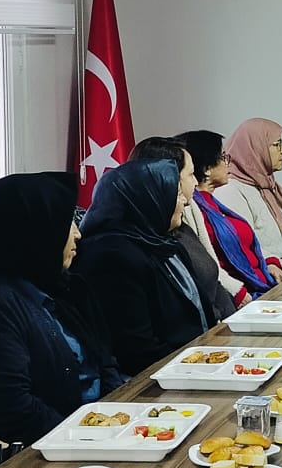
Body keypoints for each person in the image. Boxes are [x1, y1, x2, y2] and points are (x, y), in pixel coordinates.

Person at [0, 172, 124, 447]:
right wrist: (91, 440)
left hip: (97, 431)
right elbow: (15, 411)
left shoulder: (54, 281)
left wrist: (118, 414)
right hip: (52, 450)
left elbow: (103, 359)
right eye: (67, 223)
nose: (78, 233)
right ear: (35, 231)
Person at [71, 154, 213, 376]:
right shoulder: (111, 256)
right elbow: (137, 351)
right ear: (149, 198)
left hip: (194, 363)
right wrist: (200, 366)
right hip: (157, 378)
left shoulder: (162, 242)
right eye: (175, 194)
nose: (185, 202)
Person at [131, 135, 238, 322]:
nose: (196, 182)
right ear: (167, 178)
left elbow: (213, 280)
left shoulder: (182, 227)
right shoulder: (136, 248)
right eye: (190, 174)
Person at [178, 128, 282, 295]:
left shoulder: (213, 202)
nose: (228, 163)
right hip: (242, 292)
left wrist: (269, 261)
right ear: (207, 168)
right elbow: (210, 263)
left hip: (260, 282)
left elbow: (244, 245)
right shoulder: (193, 209)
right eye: (223, 157)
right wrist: (237, 294)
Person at [216, 118, 282, 275]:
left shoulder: (269, 185)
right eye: (277, 144)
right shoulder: (230, 190)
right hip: (276, 273)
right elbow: (244, 244)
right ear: (255, 149)